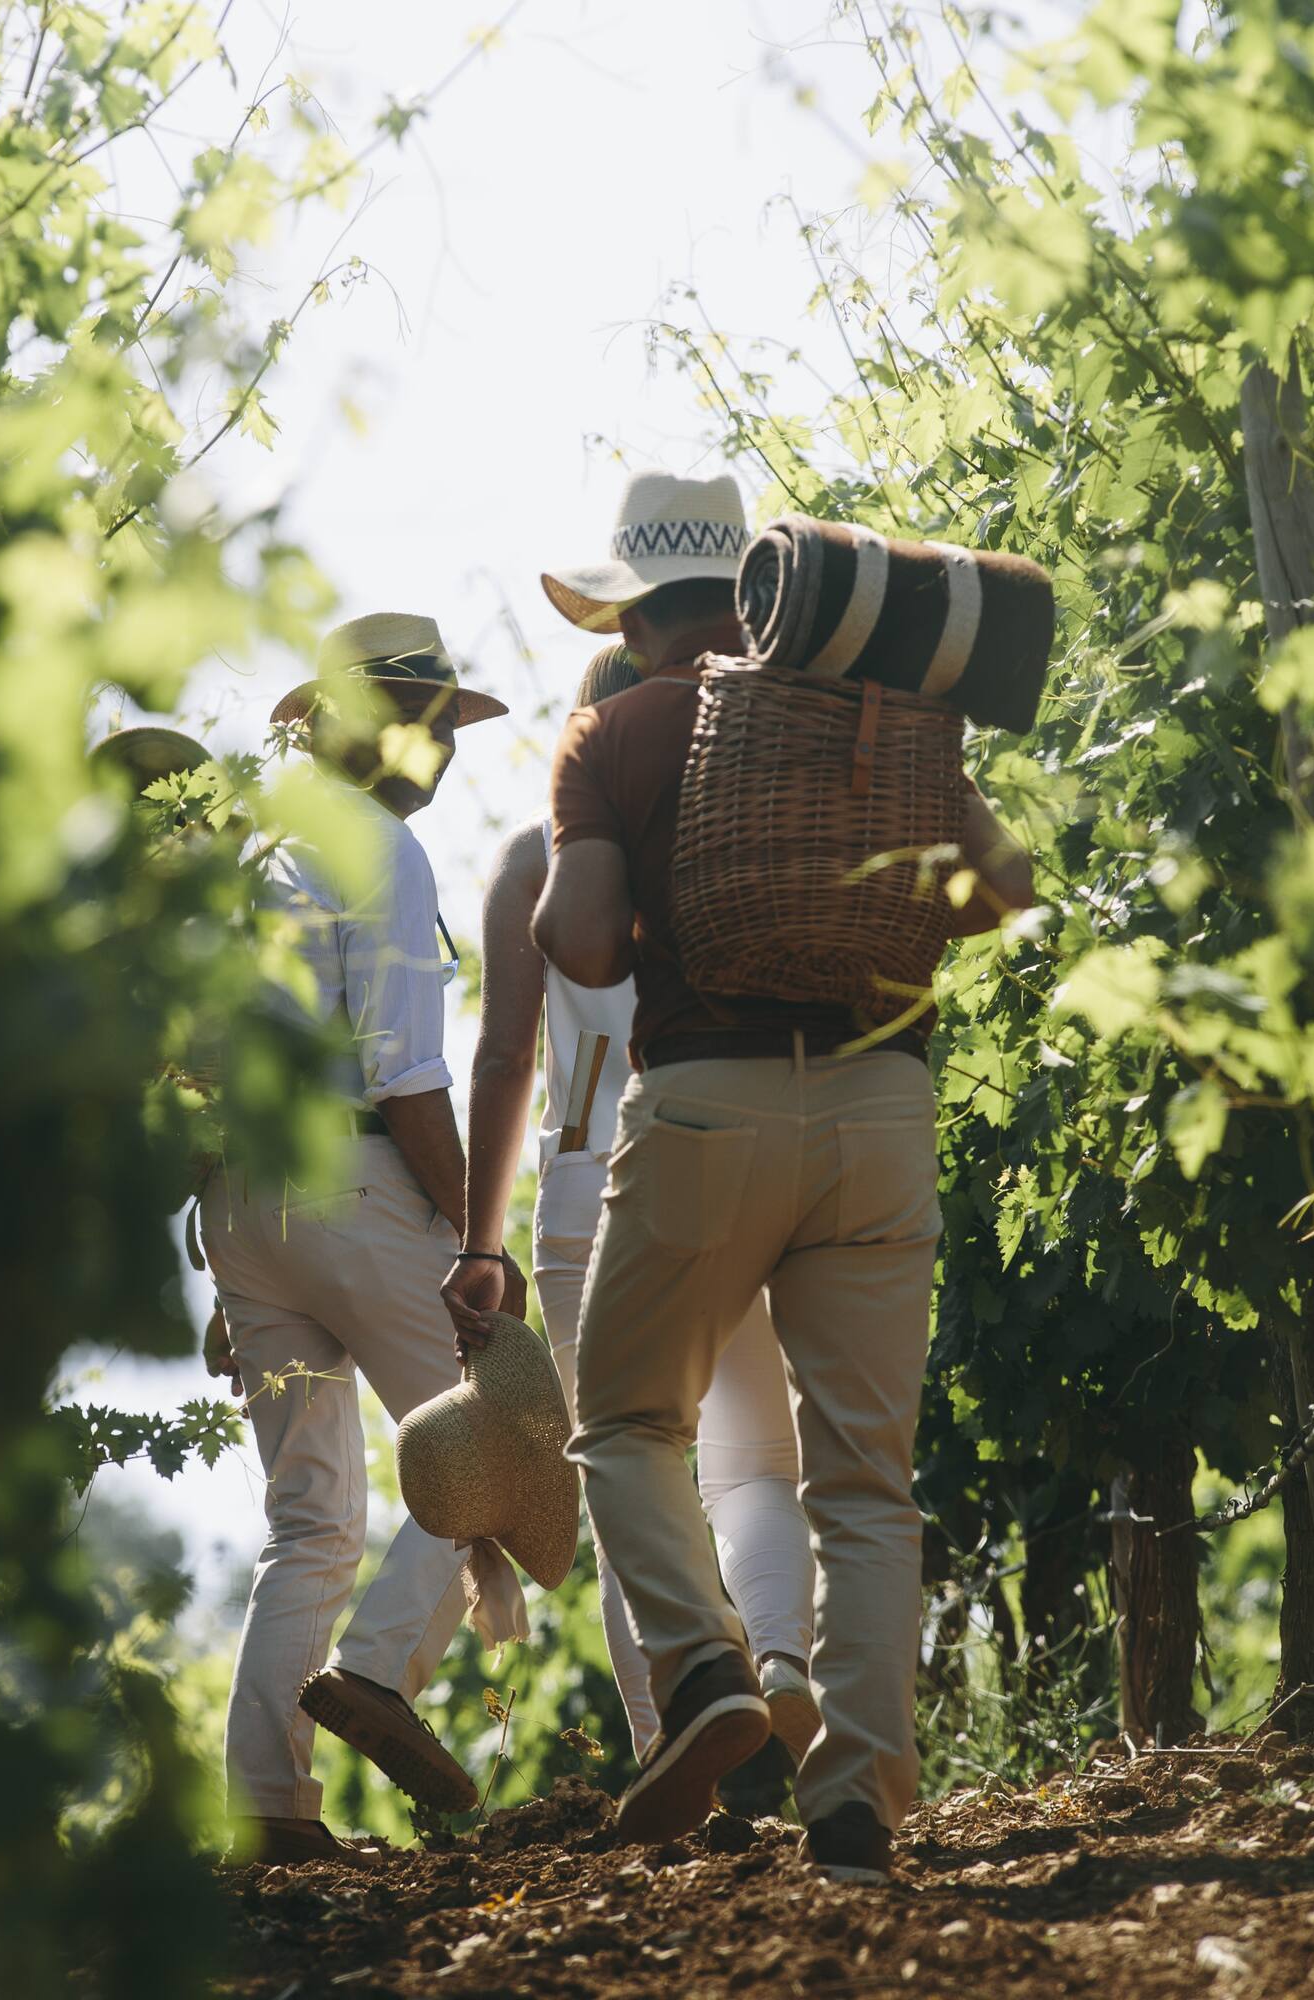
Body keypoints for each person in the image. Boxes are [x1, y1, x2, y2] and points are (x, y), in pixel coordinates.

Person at [532, 471, 1034, 1882]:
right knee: (863, 1478)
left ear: (633, 611)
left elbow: (578, 946)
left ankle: (704, 1677)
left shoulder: (613, 732)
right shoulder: (856, 711)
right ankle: (860, 1805)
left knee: (626, 1419)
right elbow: (1006, 888)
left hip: (705, 1107)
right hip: (881, 1102)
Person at [441, 643, 819, 1790]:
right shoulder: (718, 842)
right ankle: (787, 1659)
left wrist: (478, 1241)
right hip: (728, 1162)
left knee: (626, 1477)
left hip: (576, 1202)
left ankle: (674, 1744)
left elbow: (506, 1056)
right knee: (755, 1465)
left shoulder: (527, 861)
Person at [200, 613, 524, 1867]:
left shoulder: (247, 856)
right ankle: (380, 1672)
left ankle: (268, 1806)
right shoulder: (380, 851)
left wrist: (229, 1262)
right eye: (432, 720)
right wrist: (470, 1232)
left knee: (312, 1516)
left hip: (244, 1195)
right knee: (493, 1440)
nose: (442, 745)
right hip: (353, 1176)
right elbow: (404, 1075)